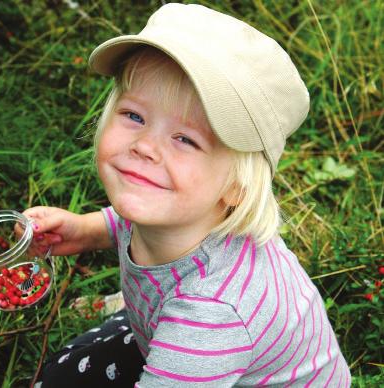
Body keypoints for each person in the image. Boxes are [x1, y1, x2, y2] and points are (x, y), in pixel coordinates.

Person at [27, 3, 351, 387]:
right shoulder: (170, 207)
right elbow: (126, 222)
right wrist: (83, 230)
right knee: (63, 372)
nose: (146, 146)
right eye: (134, 116)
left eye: (185, 139)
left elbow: (203, 316)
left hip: (215, 355)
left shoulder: (211, 311)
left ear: (236, 187)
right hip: (194, 345)